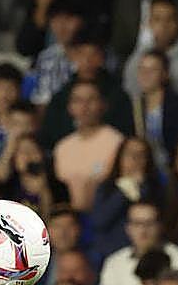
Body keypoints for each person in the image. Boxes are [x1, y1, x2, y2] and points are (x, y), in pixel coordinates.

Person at [51, 81, 124, 212]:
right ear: (70, 107)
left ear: (103, 105)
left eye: (91, 100)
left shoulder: (117, 142)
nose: (84, 107)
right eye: (78, 100)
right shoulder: (62, 147)